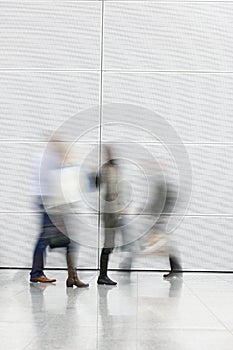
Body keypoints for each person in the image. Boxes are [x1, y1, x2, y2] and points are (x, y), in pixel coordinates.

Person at [30, 137, 89, 287]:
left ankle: (71, 277)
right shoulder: (48, 159)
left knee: (60, 240)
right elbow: (56, 184)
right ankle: (39, 274)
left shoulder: (49, 159)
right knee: (47, 239)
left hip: (53, 206)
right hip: (51, 206)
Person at [97, 146, 121, 285]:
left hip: (115, 211)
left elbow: (118, 190)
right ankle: (102, 275)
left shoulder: (116, 168)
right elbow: (97, 185)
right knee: (109, 243)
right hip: (109, 212)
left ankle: (103, 275)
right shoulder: (105, 169)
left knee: (111, 244)